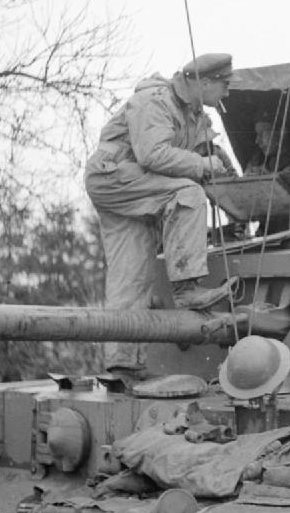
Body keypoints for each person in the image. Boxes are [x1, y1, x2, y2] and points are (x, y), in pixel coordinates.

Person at [85, 52, 238, 376]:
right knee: (188, 194)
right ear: (204, 82)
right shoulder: (154, 101)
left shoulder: (194, 114)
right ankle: (186, 288)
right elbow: (152, 154)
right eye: (224, 85)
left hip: (135, 194)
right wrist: (201, 166)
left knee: (132, 275)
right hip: (113, 179)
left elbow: (210, 153)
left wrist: (232, 178)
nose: (226, 93)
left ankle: (123, 363)